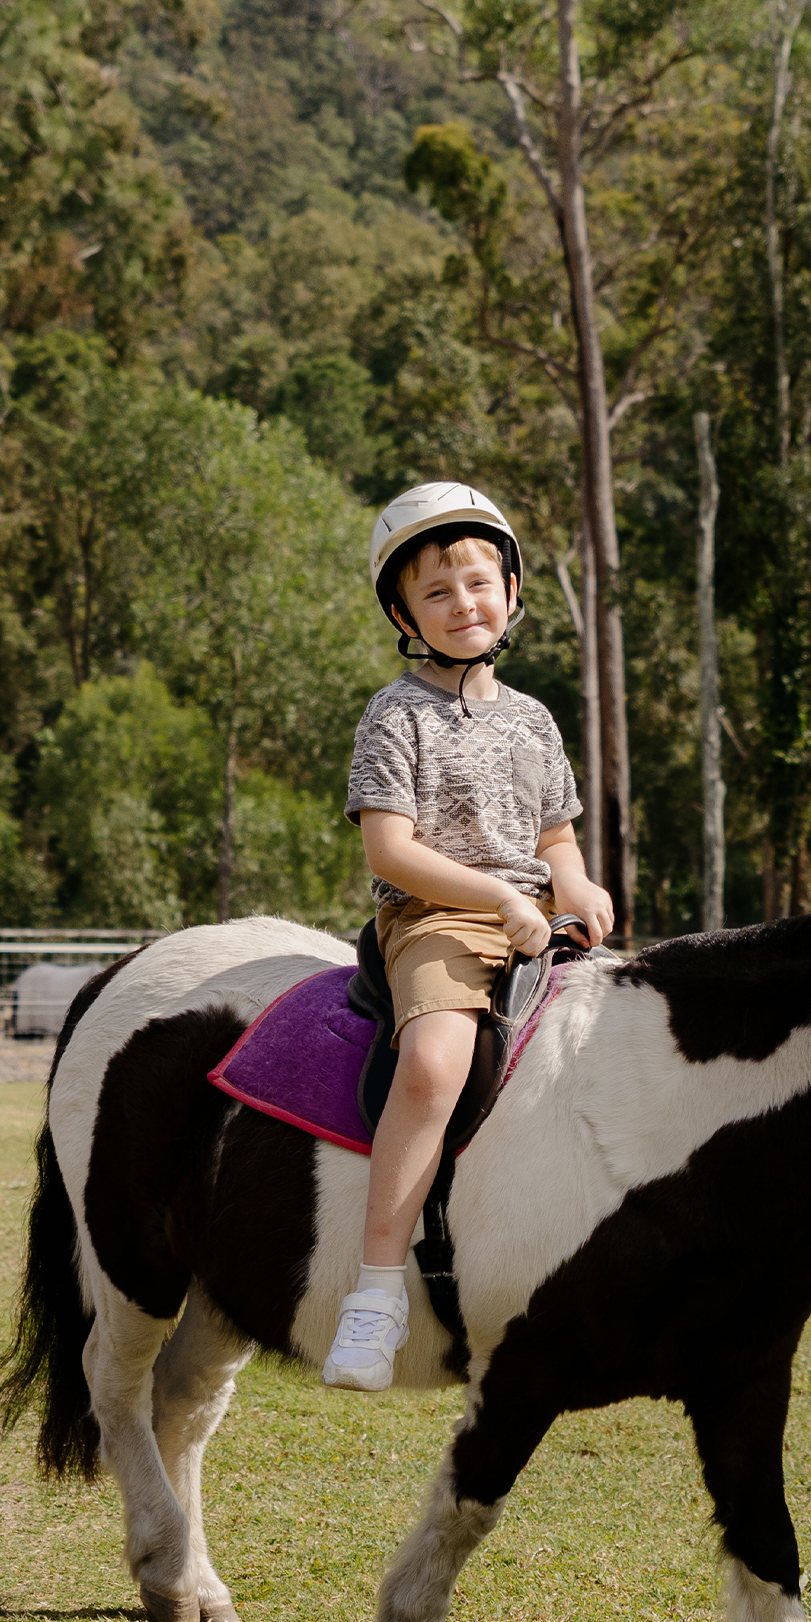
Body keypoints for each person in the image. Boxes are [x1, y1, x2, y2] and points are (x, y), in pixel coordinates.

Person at [321, 484, 615, 1393]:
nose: (463, 606)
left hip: (537, 918)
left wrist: (574, 881)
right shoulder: (393, 713)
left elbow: (554, 836)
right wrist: (496, 897)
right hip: (436, 916)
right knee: (436, 1064)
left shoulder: (534, 720)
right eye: (438, 594)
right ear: (405, 613)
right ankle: (376, 1294)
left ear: (513, 589)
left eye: (478, 583)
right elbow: (390, 849)